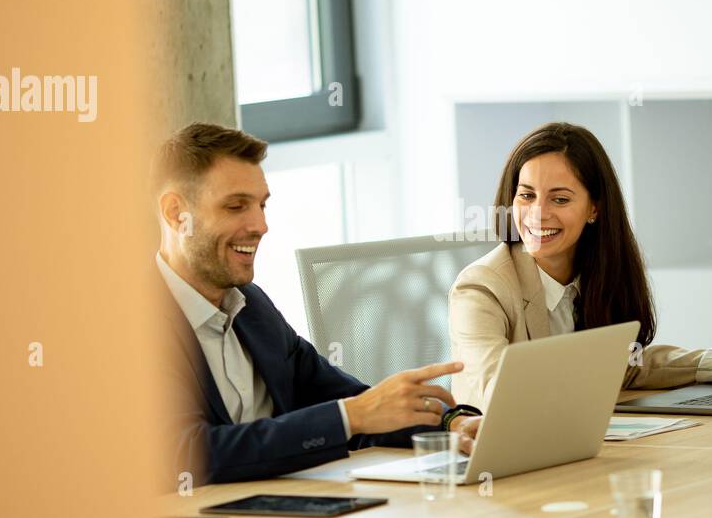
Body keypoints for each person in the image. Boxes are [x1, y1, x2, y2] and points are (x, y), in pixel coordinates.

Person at [155, 123, 481, 484]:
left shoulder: (252, 307)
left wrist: (452, 424)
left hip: (279, 515)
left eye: (262, 205)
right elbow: (184, 454)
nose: (260, 225)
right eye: (236, 206)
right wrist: (349, 416)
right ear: (175, 213)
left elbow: (357, 404)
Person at [449, 122, 712, 409]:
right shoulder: (481, 289)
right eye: (527, 195)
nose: (538, 214)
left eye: (560, 199)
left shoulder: (596, 272)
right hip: (506, 452)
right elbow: (500, 394)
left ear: (594, 208)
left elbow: (624, 364)